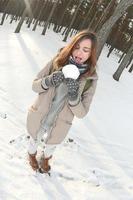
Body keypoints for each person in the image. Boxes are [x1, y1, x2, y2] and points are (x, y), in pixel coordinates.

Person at [26, 29, 98, 173]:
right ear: (71, 46)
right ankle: (31, 155)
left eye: (85, 50)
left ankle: (45, 159)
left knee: (51, 145)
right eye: (77, 47)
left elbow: (82, 113)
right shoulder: (57, 62)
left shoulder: (90, 78)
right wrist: (50, 80)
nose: (79, 53)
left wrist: (73, 97)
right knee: (34, 139)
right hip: (40, 114)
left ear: (91, 54)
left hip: (60, 123)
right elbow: (35, 85)